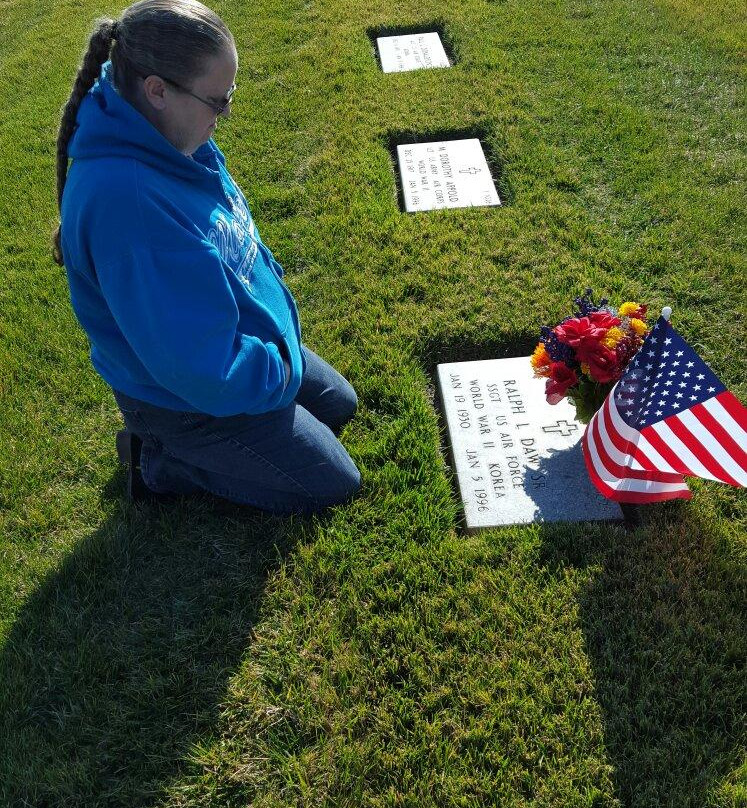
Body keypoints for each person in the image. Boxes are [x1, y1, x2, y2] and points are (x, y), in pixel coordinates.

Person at [53, 0, 361, 514]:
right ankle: (160, 458)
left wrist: (276, 343)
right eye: (218, 102)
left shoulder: (163, 128)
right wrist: (277, 372)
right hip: (184, 398)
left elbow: (228, 241)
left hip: (229, 341)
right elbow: (200, 370)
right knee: (331, 482)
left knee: (338, 405)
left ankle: (231, 423)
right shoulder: (128, 204)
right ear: (158, 91)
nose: (225, 115)